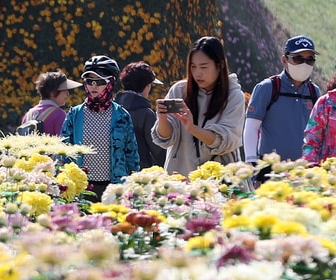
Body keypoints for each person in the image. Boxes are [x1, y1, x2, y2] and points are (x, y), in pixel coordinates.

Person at [152, 36, 246, 176]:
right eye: (193, 67)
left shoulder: (233, 96)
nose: (197, 73)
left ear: (219, 65)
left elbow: (226, 140)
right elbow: (165, 138)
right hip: (180, 180)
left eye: (203, 67)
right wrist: (163, 119)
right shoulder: (179, 90)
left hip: (220, 181)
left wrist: (192, 128)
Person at [62, 56, 139, 194]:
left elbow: (131, 155)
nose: (94, 86)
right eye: (89, 81)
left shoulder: (122, 115)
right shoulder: (74, 114)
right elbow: (63, 153)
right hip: (81, 191)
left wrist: (134, 187)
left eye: (99, 81)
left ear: (111, 83)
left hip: (115, 189)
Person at [244, 35, 320, 163]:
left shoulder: (314, 92)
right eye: (298, 59)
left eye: (310, 60)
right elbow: (251, 127)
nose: (304, 64)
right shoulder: (268, 87)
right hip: (269, 169)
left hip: (303, 170)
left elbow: (316, 132)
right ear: (284, 60)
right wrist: (251, 161)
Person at [115, 62, 164, 167]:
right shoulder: (145, 113)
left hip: (113, 171)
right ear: (147, 86)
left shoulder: (112, 109)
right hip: (138, 174)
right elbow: (159, 150)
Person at [21, 70, 80, 138]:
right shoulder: (59, 114)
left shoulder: (28, 115)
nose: (67, 94)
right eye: (64, 90)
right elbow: (65, 144)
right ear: (52, 92)